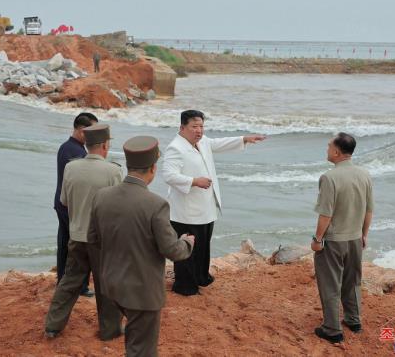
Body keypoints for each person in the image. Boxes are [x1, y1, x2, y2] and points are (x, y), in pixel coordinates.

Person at [88, 136, 195, 357]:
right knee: (142, 349)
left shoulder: (102, 196)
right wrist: (187, 242)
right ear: (153, 168)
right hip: (141, 292)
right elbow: (172, 250)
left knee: (134, 338)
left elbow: (93, 239)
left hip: (111, 285)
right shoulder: (156, 205)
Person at [162, 110, 265, 296]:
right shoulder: (175, 148)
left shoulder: (202, 141)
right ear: (182, 127)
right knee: (188, 250)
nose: (199, 130)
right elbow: (169, 175)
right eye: (194, 126)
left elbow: (219, 143)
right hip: (186, 211)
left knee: (202, 247)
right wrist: (194, 181)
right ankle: (185, 286)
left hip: (205, 208)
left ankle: (200, 278)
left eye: (201, 126)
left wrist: (244, 139)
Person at [45, 124, 123, 341]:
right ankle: (110, 330)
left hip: (77, 235)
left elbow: (64, 202)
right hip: (102, 240)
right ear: (105, 145)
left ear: (86, 144)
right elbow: (117, 208)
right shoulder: (113, 171)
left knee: (69, 282)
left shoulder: (71, 168)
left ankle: (53, 325)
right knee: (106, 286)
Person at [311, 132, 373, 344]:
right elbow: (369, 210)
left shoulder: (329, 177)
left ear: (336, 152)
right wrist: (363, 235)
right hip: (355, 237)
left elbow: (326, 214)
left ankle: (332, 329)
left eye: (329, 146)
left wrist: (317, 239)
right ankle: (354, 320)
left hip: (334, 241)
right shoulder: (364, 174)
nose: (327, 149)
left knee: (330, 284)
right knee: (352, 281)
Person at [54, 112, 98, 297]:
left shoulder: (68, 147)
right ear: (81, 131)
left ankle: (63, 281)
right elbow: (77, 182)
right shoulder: (75, 151)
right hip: (70, 206)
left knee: (65, 243)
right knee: (76, 248)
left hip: (63, 203)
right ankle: (76, 285)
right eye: (92, 131)